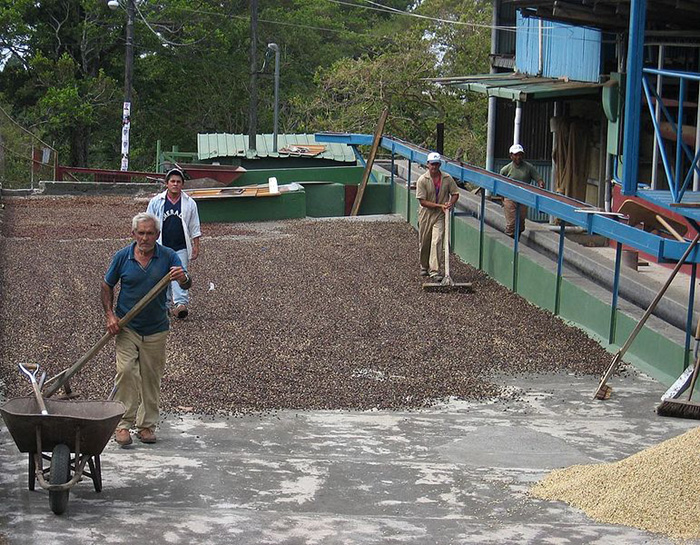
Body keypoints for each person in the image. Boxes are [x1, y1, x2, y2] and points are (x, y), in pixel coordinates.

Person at [102, 212, 192, 446]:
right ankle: (123, 425)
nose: (145, 238)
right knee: (126, 373)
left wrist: (182, 278)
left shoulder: (168, 256)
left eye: (150, 233)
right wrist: (110, 315)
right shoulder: (122, 257)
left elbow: (186, 282)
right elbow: (107, 284)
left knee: (151, 378)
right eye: (141, 233)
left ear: (157, 235)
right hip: (127, 326)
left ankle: (146, 426)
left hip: (156, 328)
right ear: (133, 234)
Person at [146, 168, 201, 319]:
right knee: (161, 275)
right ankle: (163, 305)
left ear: (182, 184)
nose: (175, 184)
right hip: (161, 246)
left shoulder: (190, 203)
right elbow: (148, 223)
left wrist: (196, 246)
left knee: (180, 273)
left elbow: (194, 226)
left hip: (180, 246)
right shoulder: (156, 201)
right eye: (172, 181)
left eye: (178, 182)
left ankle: (180, 304)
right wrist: (145, 245)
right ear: (167, 183)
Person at [416, 152, 460, 281]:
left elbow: (455, 193)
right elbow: (422, 201)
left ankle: (434, 271)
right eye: (432, 164)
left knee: (437, 240)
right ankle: (424, 266)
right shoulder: (422, 180)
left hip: (441, 214)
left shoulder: (447, 179)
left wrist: (450, 203)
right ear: (427, 164)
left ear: (439, 165)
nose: (434, 167)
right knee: (425, 241)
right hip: (426, 214)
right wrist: (439, 205)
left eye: (436, 164)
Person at [499, 144, 545, 239]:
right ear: (511, 156)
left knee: (520, 224)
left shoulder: (528, 167)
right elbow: (500, 183)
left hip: (523, 198)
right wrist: (502, 198)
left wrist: (540, 184)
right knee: (512, 223)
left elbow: (539, 179)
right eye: (516, 155)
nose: (518, 157)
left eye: (520, 155)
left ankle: (517, 240)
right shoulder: (506, 169)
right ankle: (509, 243)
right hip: (510, 198)